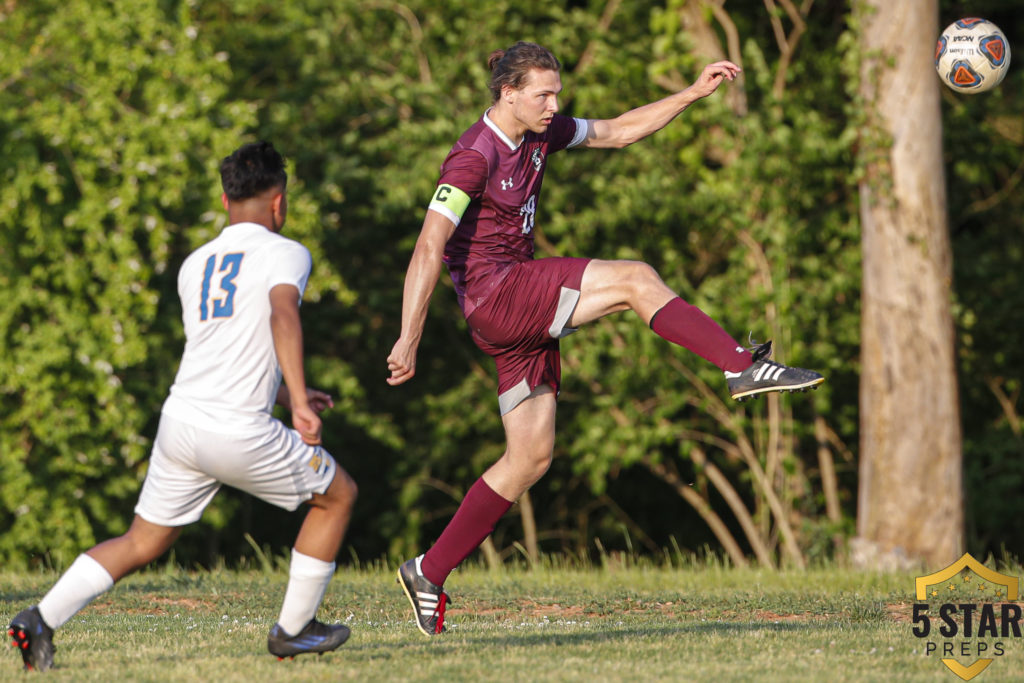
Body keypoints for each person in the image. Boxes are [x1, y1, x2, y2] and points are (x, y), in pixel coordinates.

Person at [387, 42, 823, 636]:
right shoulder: (473, 155)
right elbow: (428, 246)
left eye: (556, 92)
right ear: (507, 93)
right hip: (500, 297)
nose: (554, 103)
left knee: (529, 458)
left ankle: (428, 571)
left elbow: (617, 132)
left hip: (518, 308)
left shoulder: (539, 131)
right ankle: (739, 364)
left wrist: (693, 94)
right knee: (635, 279)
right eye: (543, 93)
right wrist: (409, 335)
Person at [7, 141, 358, 671]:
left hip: (181, 424)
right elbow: (282, 317)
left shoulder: (195, 265)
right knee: (338, 496)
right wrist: (301, 408)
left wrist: (291, 392)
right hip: (238, 430)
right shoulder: (286, 252)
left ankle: (38, 619)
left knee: (142, 539)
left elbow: (228, 349)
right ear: (279, 202)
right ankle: (294, 629)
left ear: (224, 200)